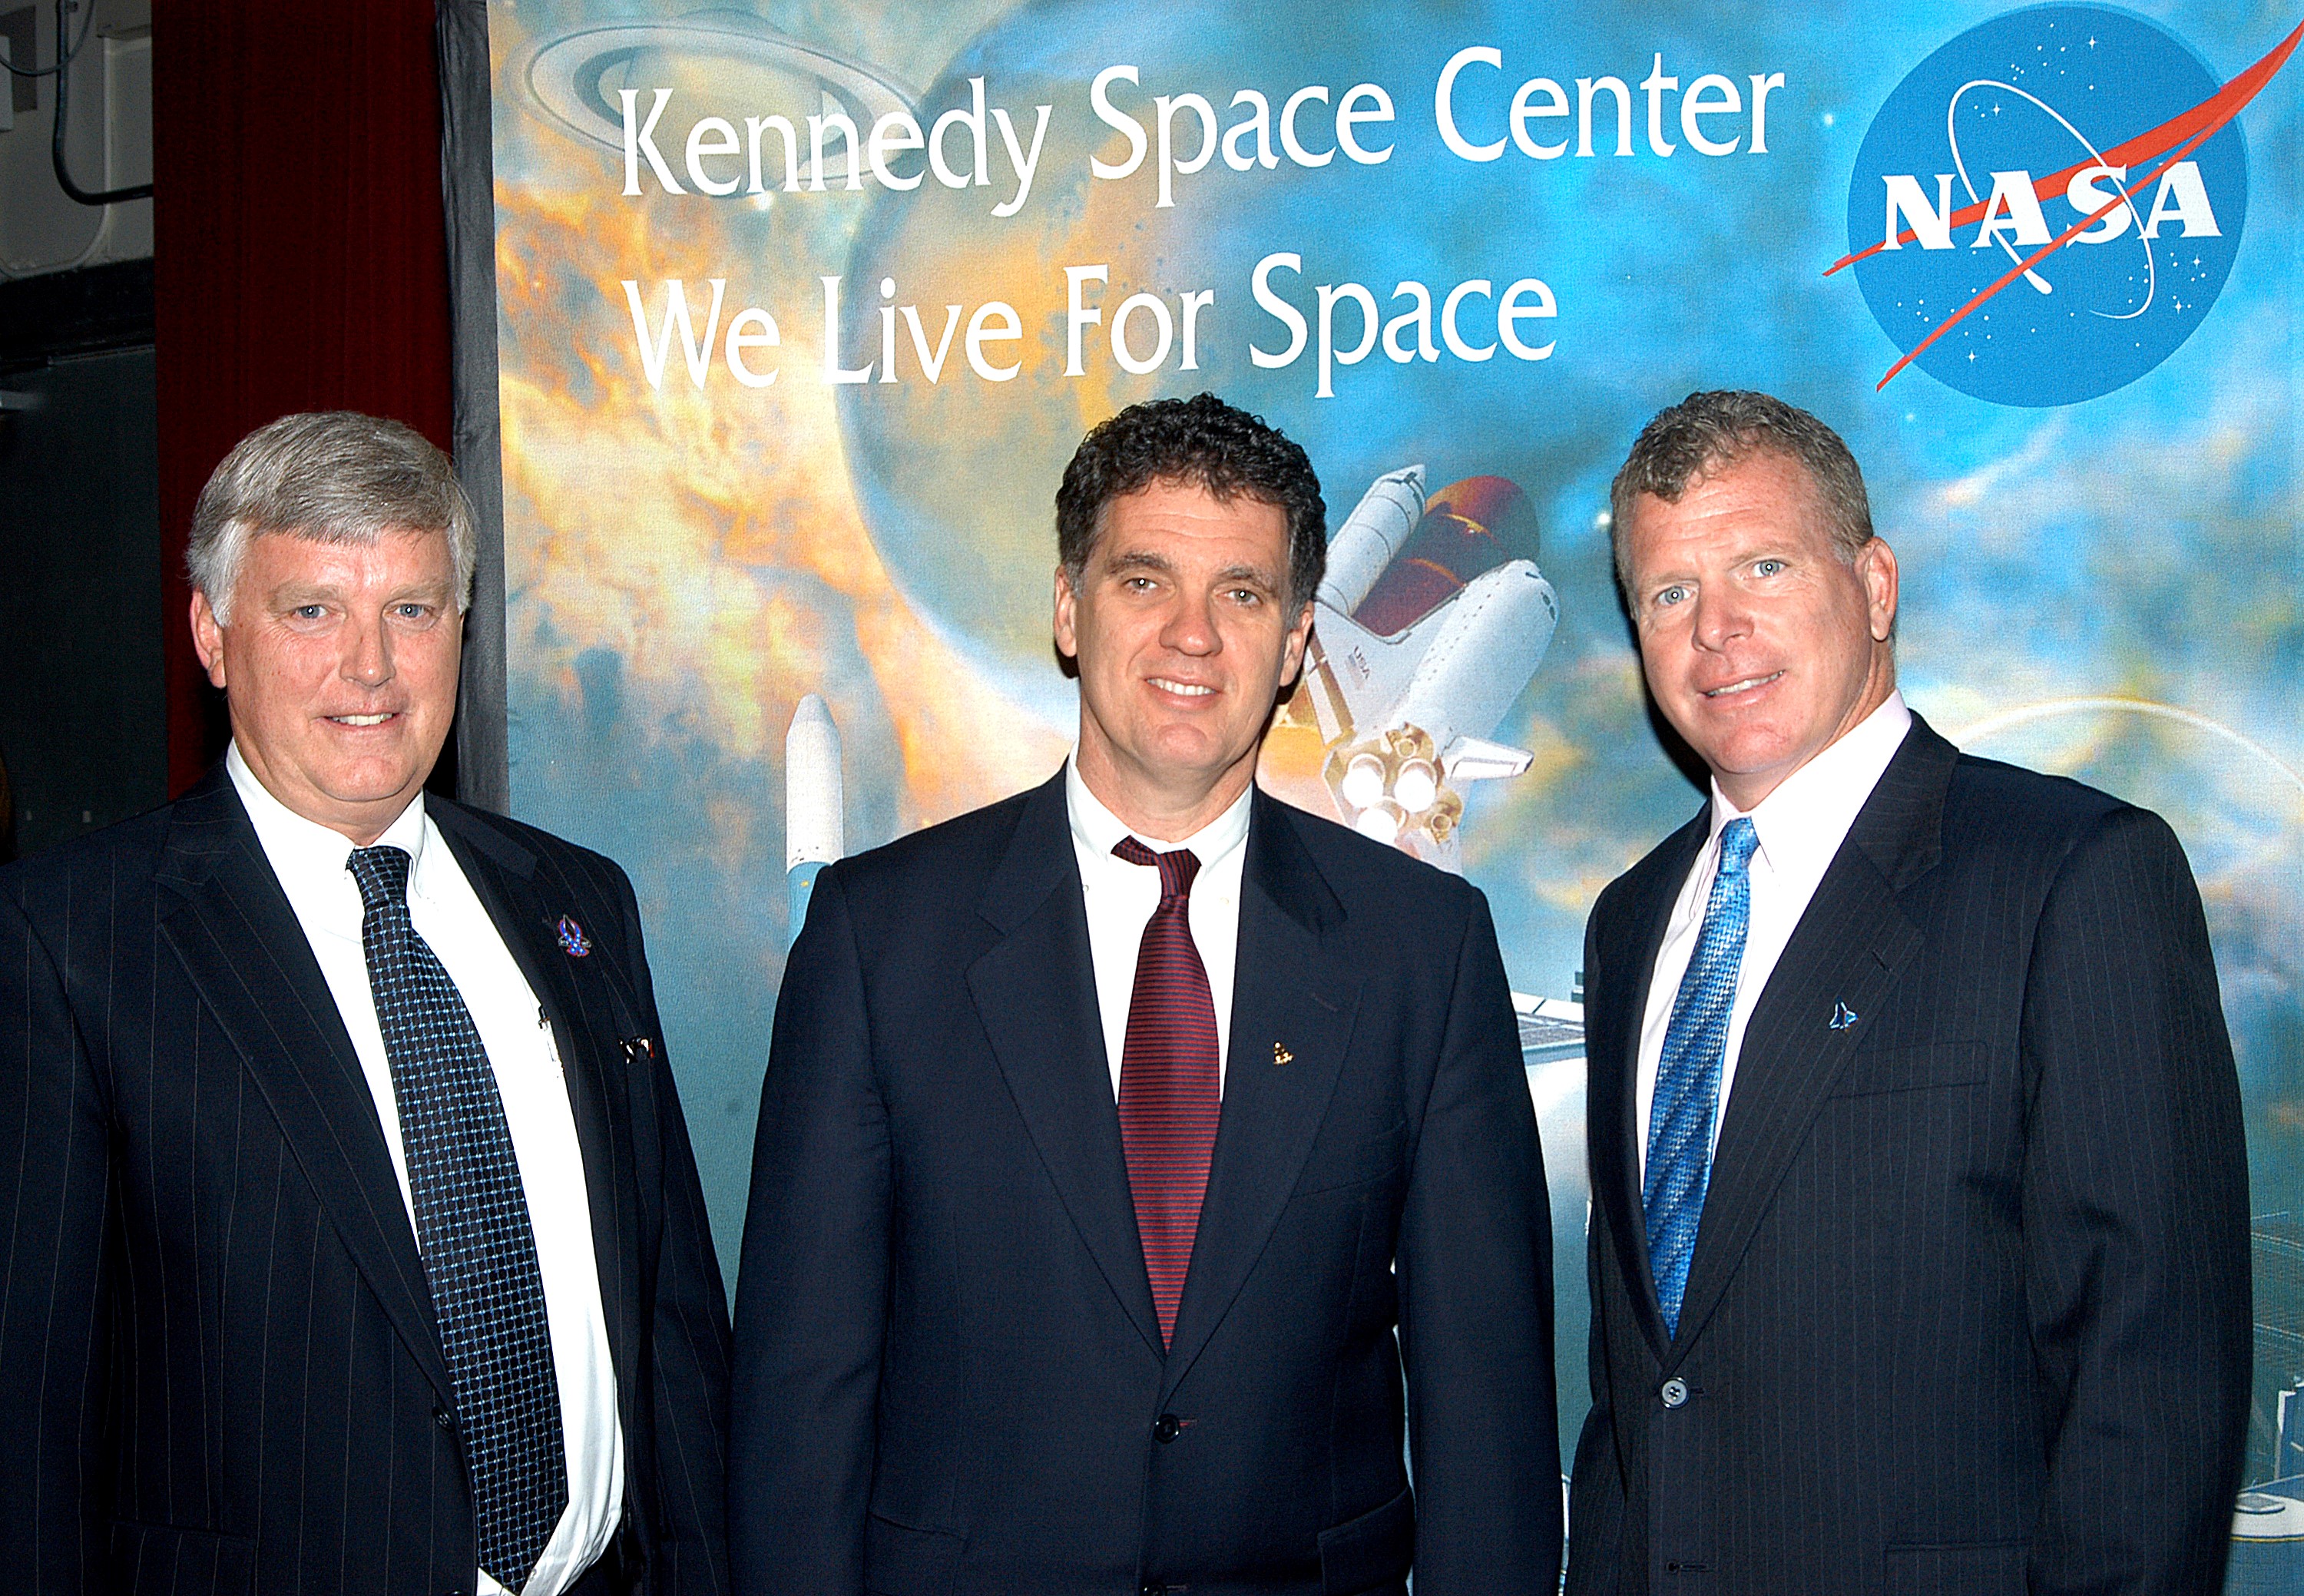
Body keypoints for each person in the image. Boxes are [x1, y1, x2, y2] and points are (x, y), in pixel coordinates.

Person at [730, 392, 1560, 1596]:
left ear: (1292, 643)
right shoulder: (879, 941)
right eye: (1143, 580)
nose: (1193, 635)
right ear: (1069, 609)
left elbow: (1486, 1410)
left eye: (1243, 592)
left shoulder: (1421, 951)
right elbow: (801, 1397)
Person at [0, 412, 732, 1595]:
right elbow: (28, 1428)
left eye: (412, 607)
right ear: (212, 633)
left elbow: (674, 1322)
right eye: (311, 611)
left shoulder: (577, 901)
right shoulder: (73, 946)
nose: (371, 668)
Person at [1568, 389, 2250, 1595]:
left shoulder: (2072, 877)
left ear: (1875, 585)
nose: (1715, 629)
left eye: (1763, 566)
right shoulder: (1629, 923)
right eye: (1669, 593)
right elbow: (1644, 1378)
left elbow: (2153, 1385)